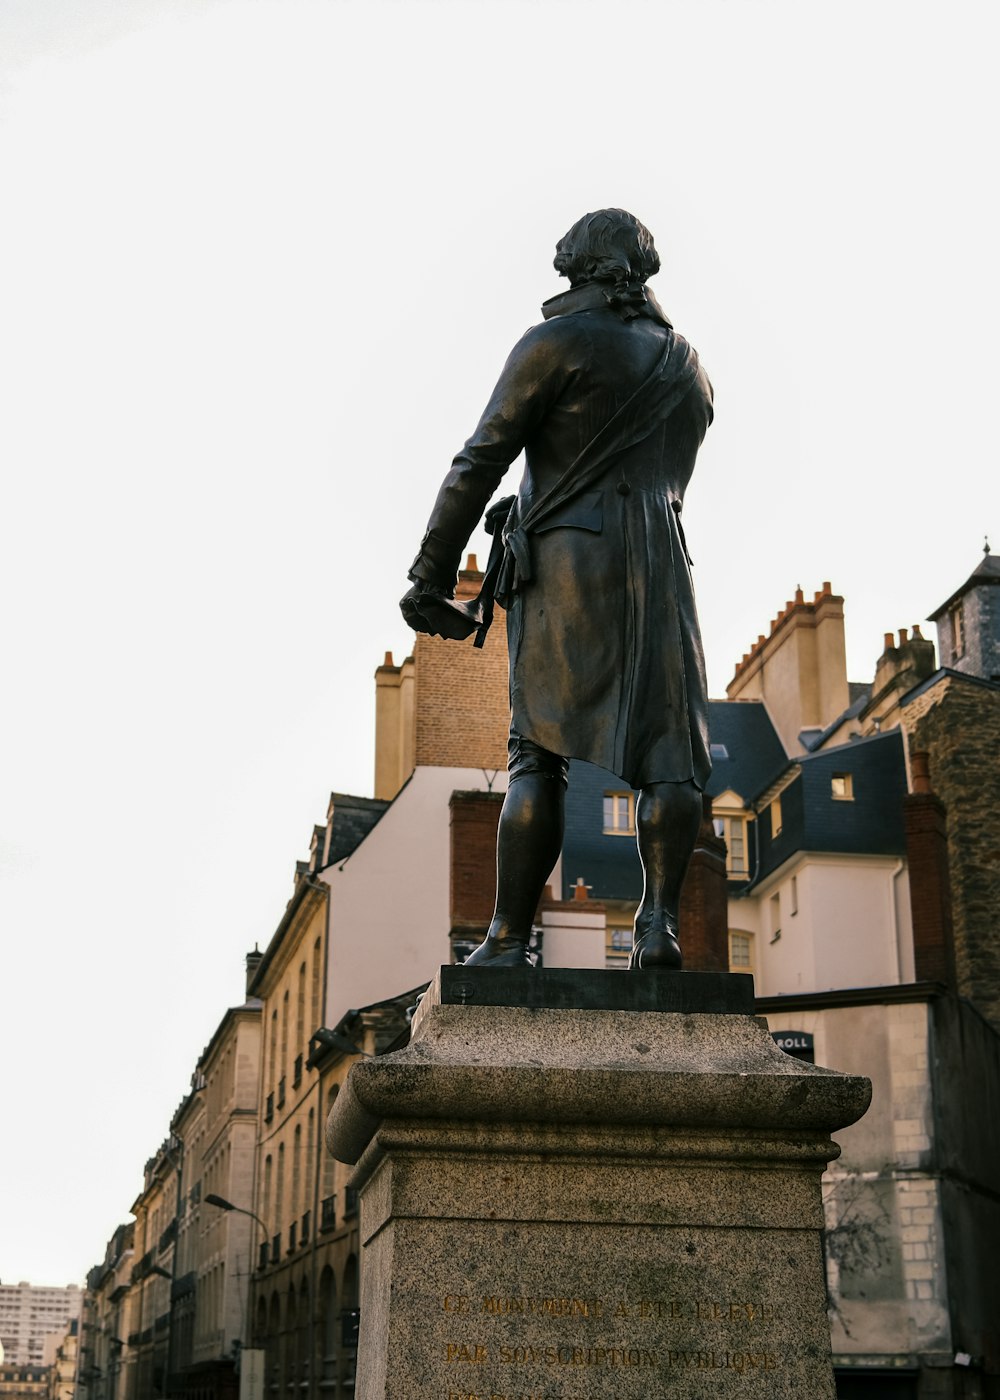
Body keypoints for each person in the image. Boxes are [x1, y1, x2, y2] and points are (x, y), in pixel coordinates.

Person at [401, 209, 714, 970]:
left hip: (571, 564)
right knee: (669, 760)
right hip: (665, 563)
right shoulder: (689, 367)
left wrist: (430, 575)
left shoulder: (555, 343)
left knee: (537, 753)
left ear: (585, 270)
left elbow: (480, 458)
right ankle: (658, 928)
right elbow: (660, 475)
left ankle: (508, 940)